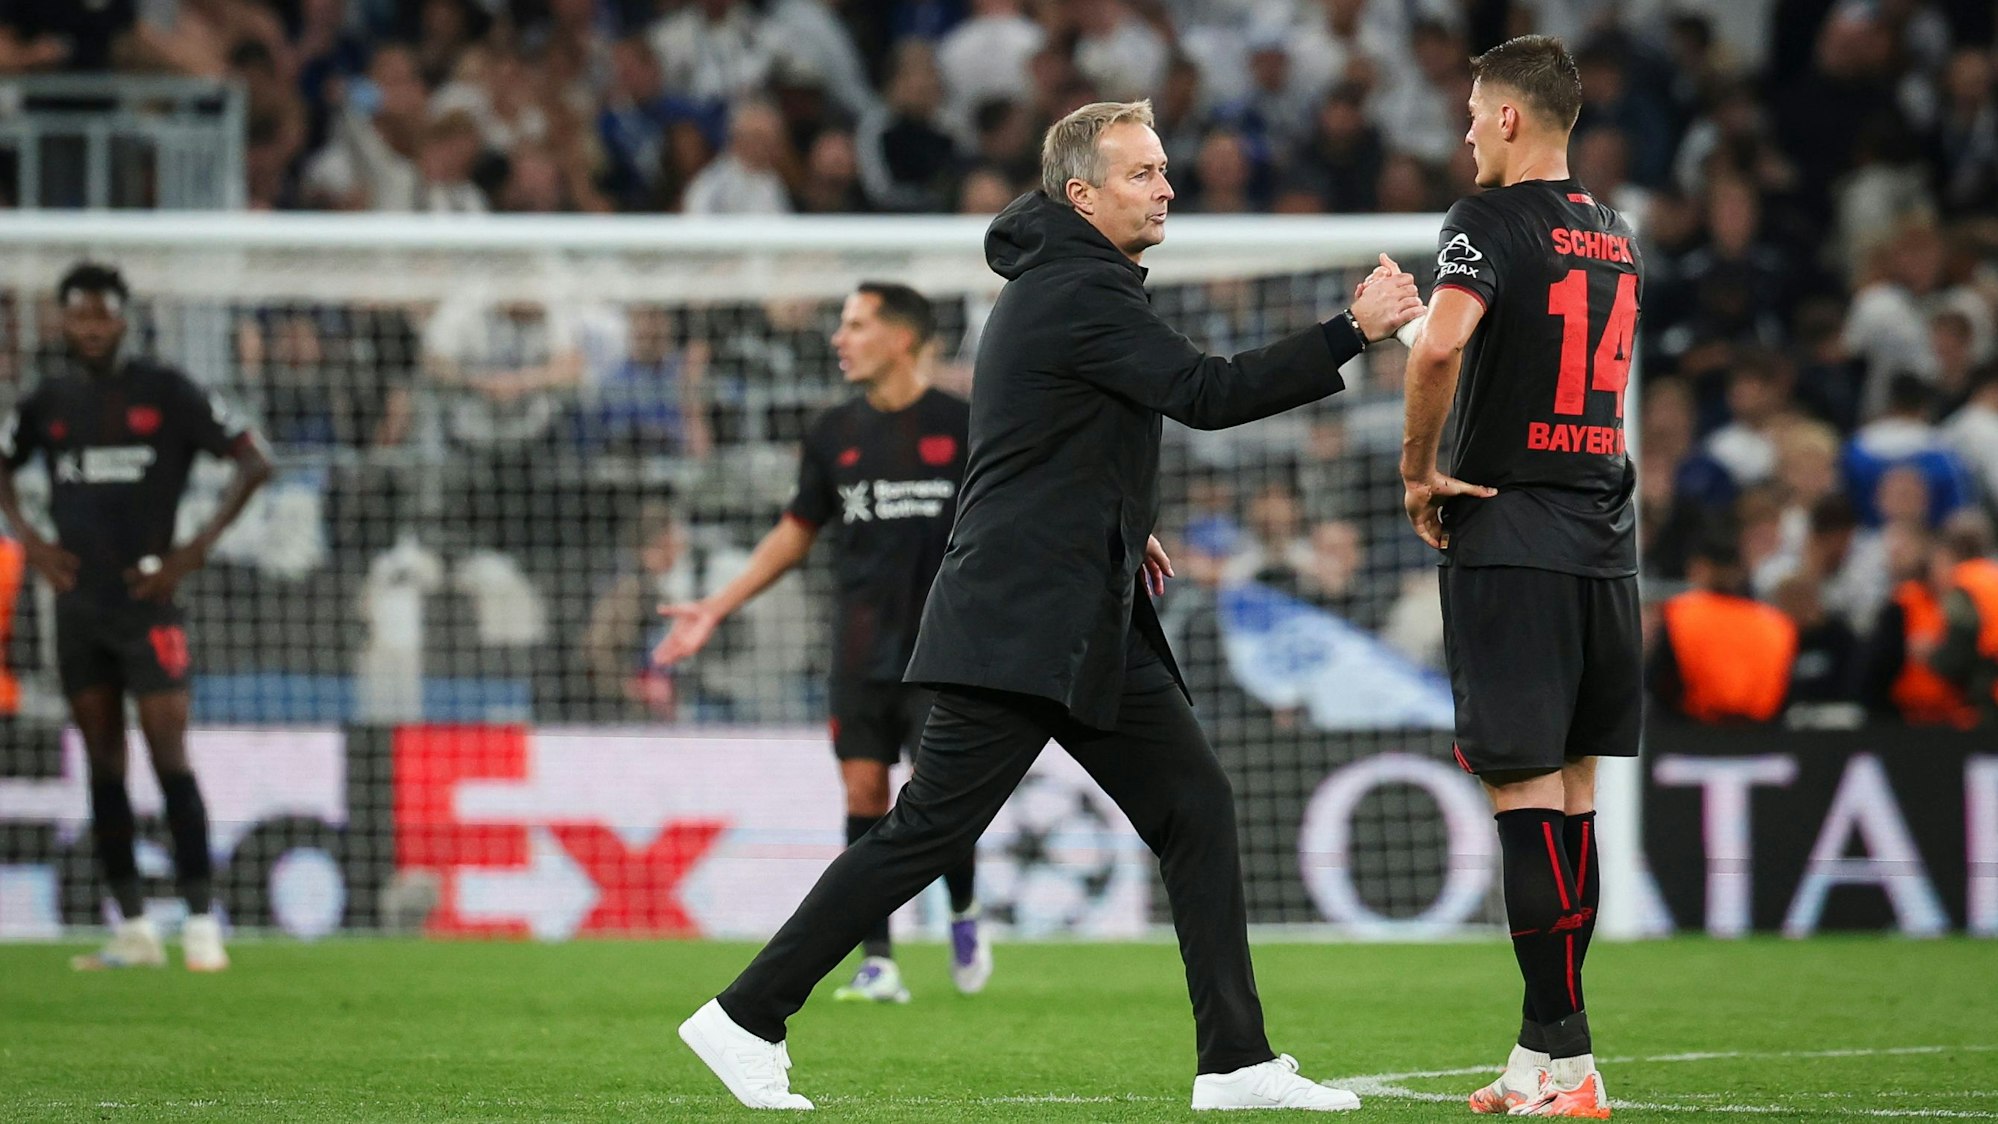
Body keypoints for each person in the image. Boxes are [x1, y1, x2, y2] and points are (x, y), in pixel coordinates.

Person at [677, 98, 1422, 1112]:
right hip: (1025, 617)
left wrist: (1122, 516)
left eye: (1163, 169)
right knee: (929, 832)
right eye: (1143, 173)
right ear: (1082, 193)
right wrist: (1352, 328)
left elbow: (1048, 434)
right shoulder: (1076, 290)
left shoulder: (1067, 285)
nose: (1166, 185)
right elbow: (1205, 392)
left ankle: (1237, 1062)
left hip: (1077, 607)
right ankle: (744, 1013)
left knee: (1194, 805)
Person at [1398, 36, 1639, 1117]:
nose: (1462, 133)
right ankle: (1540, 1057)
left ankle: (1576, 1062)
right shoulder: (1614, 233)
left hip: (1511, 532)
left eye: (1470, 113)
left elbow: (1441, 349)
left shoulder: (1483, 221)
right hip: (1603, 536)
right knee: (1572, 796)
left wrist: (1418, 471)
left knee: (1524, 798)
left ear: (1507, 120)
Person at [654, 282, 987, 1004]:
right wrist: (717, 604)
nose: (840, 339)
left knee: (938, 801)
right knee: (865, 792)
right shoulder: (832, 433)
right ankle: (880, 959)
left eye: (856, 325)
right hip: (861, 650)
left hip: (948, 651)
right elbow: (795, 532)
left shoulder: (966, 426)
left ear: (902, 339)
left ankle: (963, 911)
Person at [0, 263, 273, 971]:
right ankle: (132, 926)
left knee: (169, 753)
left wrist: (191, 553)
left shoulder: (167, 391)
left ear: (124, 318)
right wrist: (31, 541)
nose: (91, 328)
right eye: (79, 316)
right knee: (102, 763)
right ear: (64, 321)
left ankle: (202, 920)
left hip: (150, 603)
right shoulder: (48, 401)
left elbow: (254, 460)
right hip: (79, 605)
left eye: (102, 316)